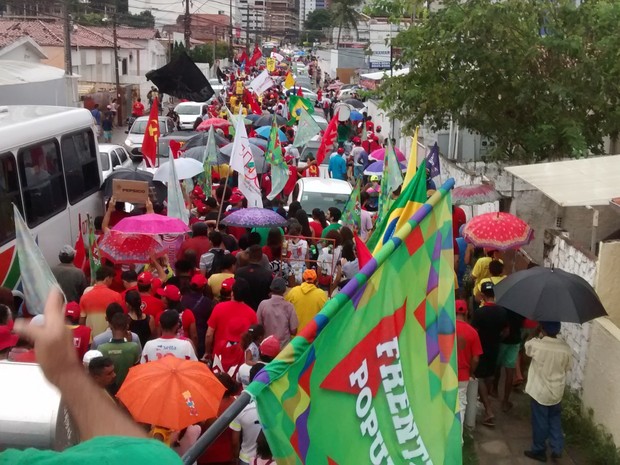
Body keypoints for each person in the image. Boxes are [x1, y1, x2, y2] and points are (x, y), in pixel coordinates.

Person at [8, 290, 182, 464]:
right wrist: (66, 374)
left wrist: (67, 376)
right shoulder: (131, 344)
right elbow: (151, 458)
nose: (112, 375)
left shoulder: (101, 343)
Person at [523, 321, 572, 462]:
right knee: (555, 419)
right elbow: (567, 367)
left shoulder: (537, 344)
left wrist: (535, 330)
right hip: (556, 392)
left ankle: (539, 450)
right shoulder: (565, 348)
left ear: (542, 328)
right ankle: (557, 448)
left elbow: (526, 346)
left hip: (540, 392)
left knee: (540, 421)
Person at [471, 281, 508, 427]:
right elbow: (506, 331)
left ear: (482, 296)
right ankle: (485, 399)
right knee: (490, 375)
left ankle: (488, 410)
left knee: (478, 377)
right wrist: (498, 339)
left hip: (480, 348)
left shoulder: (479, 313)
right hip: (495, 347)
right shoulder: (502, 311)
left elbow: (474, 332)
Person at [205, 278, 258, 365]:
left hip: (219, 358)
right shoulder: (252, 314)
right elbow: (254, 340)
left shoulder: (218, 308)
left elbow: (209, 334)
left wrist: (207, 353)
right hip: (240, 361)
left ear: (232, 292)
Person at [455, 299, 482, 442]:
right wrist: (471, 372)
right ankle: (458, 440)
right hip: (463, 376)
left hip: (446, 374)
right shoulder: (472, 332)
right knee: (460, 405)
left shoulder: (444, 330)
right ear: (466, 312)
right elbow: (476, 359)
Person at [98, 312, 141, 393]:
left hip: (107, 395)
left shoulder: (101, 348)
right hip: (128, 393)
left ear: (110, 326)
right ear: (127, 326)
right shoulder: (133, 347)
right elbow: (137, 371)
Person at [79, 266, 123, 337]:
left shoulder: (85, 297)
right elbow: (120, 319)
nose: (112, 281)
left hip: (90, 338)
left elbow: (82, 321)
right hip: (110, 337)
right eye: (112, 279)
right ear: (107, 279)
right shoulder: (116, 296)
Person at [257, 278, 298, 348]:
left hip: (267, 347)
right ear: (284, 290)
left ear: (271, 289)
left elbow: (258, 326)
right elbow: (294, 331)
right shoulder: (289, 306)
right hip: (283, 348)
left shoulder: (263, 304)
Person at [181, 274, 214, 359]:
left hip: (185, 337)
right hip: (200, 338)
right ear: (203, 287)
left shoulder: (183, 298)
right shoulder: (208, 302)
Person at [235, 245, 273, 311]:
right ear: (261, 257)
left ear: (249, 256)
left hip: (242, 309)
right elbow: (269, 294)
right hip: (260, 309)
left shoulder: (239, 272)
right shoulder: (267, 274)